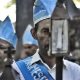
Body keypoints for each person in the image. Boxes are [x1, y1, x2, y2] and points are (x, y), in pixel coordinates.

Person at [1, 0, 80, 80]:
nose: (52, 36)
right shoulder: (16, 70)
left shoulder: (76, 71)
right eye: (45, 31)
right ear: (34, 33)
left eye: (59, 30)